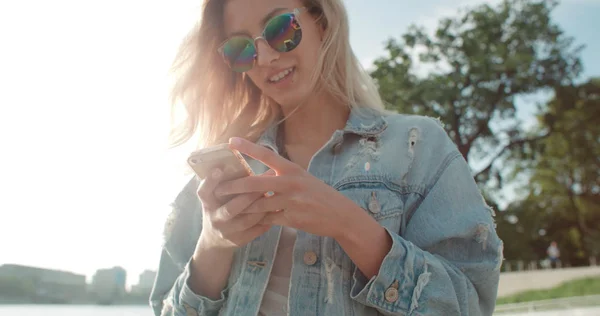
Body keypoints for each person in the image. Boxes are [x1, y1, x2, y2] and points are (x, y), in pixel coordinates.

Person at [149, 0, 503, 315]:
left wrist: (347, 224)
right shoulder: (217, 178)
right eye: (242, 49)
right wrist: (213, 245)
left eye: (280, 29)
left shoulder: (417, 146)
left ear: (321, 20)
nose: (267, 58)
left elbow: (470, 304)